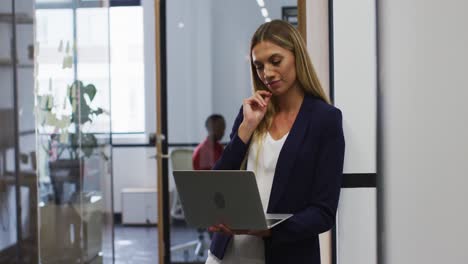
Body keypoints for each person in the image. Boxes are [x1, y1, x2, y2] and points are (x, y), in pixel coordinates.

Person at [205, 20, 345, 264]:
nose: (267, 73)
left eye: (275, 61)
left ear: (297, 56)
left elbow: (323, 213)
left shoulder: (325, 119)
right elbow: (219, 182)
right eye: (259, 66)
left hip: (285, 255)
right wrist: (246, 128)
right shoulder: (251, 113)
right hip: (226, 255)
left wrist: (269, 229)